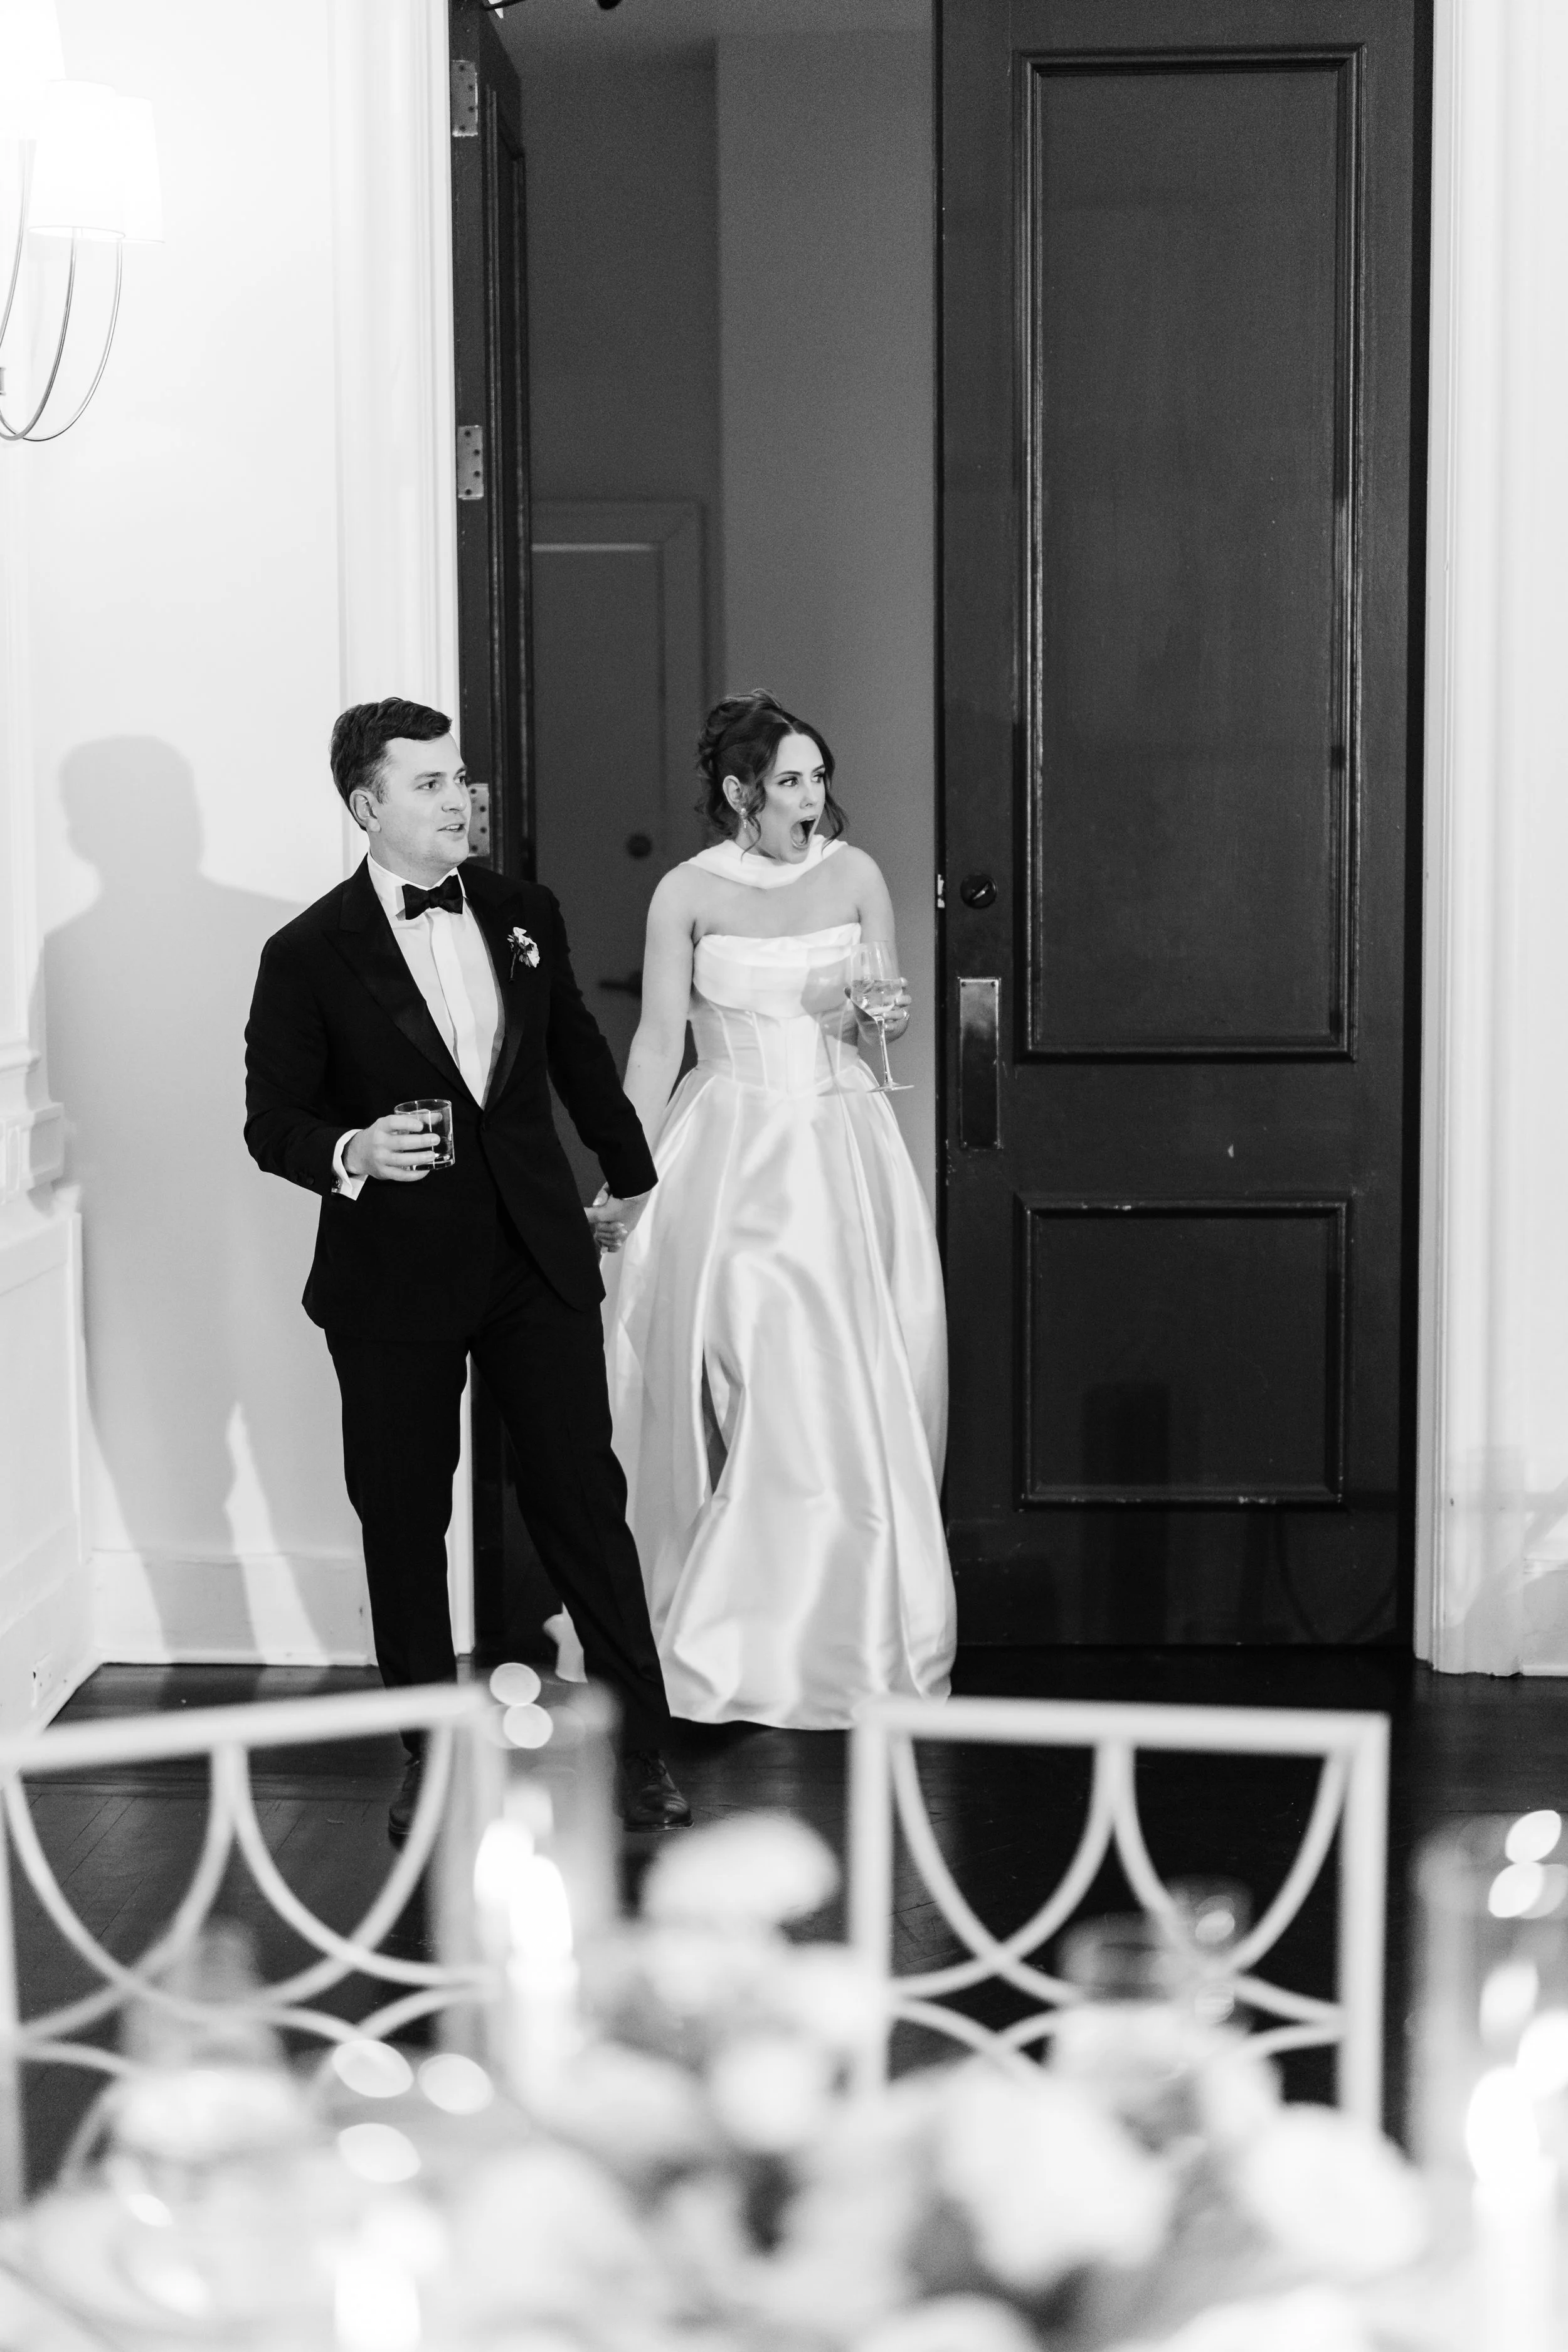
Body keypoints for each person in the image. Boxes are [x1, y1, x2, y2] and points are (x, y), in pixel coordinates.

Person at [243, 698, 691, 1838]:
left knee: (583, 1504)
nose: (460, 799)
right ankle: (425, 1759)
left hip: (535, 1256)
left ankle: (639, 1752)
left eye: (461, 779)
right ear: (367, 806)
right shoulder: (303, 953)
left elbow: (577, 1055)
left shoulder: (520, 910)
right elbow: (270, 1122)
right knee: (401, 1521)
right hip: (391, 1277)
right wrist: (352, 1151)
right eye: (432, 783)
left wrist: (631, 1180)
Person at [597, 689, 956, 1728]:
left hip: (838, 1140)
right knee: (746, 1359)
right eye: (792, 781)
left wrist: (872, 1010)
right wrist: (626, 1168)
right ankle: (718, 1630)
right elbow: (661, 1041)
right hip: (731, 1144)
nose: (814, 798)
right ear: (739, 793)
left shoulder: (857, 875)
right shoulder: (686, 894)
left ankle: (840, 1628)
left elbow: (882, 1007)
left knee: (841, 1379)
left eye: (817, 777)